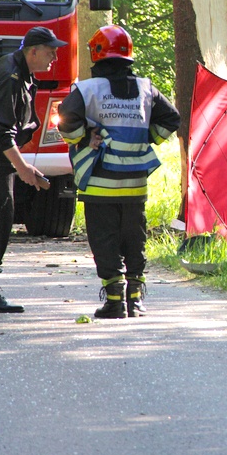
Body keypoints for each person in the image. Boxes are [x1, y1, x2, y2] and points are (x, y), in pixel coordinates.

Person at [58, 25, 180, 318]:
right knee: (134, 240)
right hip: (135, 184)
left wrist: (84, 137)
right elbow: (172, 117)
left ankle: (115, 302)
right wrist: (145, 137)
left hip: (100, 183)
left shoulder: (86, 89)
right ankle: (135, 301)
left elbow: (65, 121)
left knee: (105, 240)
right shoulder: (146, 88)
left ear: (97, 55)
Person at [0, 26, 65, 313]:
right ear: (32, 51)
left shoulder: (18, 69)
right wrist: (23, 168)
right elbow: (2, 132)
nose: (54, 57)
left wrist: (21, 165)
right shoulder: (10, 76)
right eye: (50, 51)